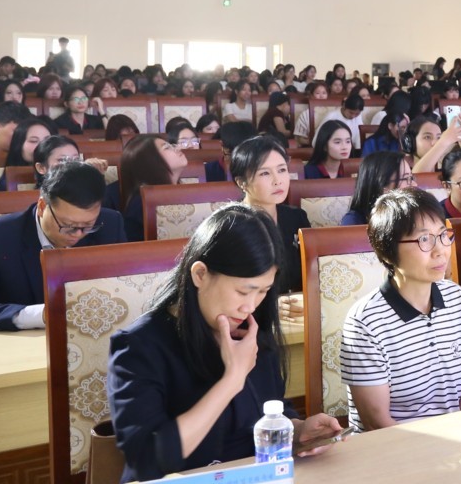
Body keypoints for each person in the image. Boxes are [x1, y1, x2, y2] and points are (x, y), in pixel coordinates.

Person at [107, 205, 341, 482]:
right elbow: (148, 460)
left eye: (263, 291)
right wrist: (232, 380)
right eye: (243, 291)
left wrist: (297, 429)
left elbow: (270, 406)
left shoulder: (249, 329)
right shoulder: (138, 347)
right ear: (200, 274)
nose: (250, 306)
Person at [339, 189, 461, 430]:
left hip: (455, 439)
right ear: (388, 252)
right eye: (424, 239)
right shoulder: (365, 321)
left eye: (442, 235)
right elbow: (376, 422)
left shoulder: (457, 298)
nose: (440, 250)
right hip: (393, 446)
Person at [0, 161, 125, 331]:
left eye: (88, 225)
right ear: (42, 207)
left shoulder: (111, 224)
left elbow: (124, 291)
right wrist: (41, 314)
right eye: (68, 225)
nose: (78, 234)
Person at [231, 137, 310, 292]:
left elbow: (310, 270)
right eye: (265, 173)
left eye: (282, 170)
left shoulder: (296, 217)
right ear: (241, 182)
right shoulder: (231, 226)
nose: (277, 181)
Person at [105, 134, 190, 242]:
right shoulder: (141, 204)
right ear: (151, 161)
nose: (178, 148)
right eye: (167, 147)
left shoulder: (186, 191)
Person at [342, 152, 415, 226]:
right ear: (382, 186)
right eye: (406, 178)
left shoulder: (412, 213)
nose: (414, 184)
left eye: (411, 178)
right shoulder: (353, 221)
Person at [293, 81, 329, 146]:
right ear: (312, 95)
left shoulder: (333, 112)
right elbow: (300, 138)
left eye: (324, 93)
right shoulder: (306, 114)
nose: (321, 96)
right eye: (317, 93)